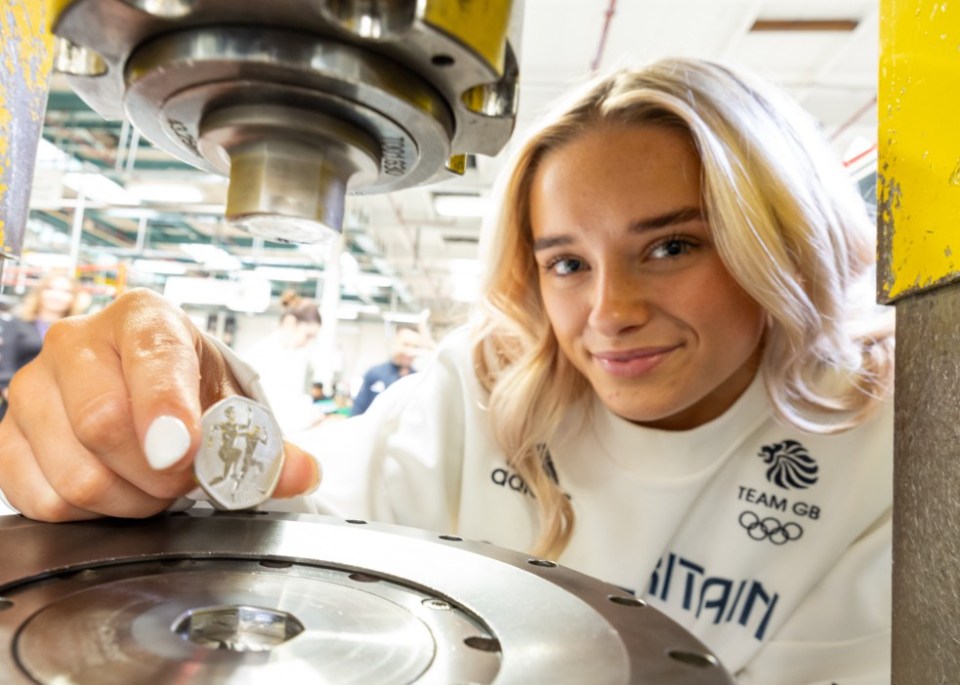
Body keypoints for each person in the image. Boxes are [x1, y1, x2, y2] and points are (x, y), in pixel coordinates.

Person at [0, 57, 894, 683]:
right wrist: (176, 446)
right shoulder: (493, 382)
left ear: (780, 240)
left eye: (670, 246)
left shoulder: (891, 445)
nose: (608, 311)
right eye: (567, 262)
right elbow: (299, 529)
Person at [0, 271, 89, 420]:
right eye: (50, 289)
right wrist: (18, 401)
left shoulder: (78, 330)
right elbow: (5, 366)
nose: (56, 295)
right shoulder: (15, 323)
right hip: (16, 406)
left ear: (73, 298)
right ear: (40, 293)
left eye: (65, 292)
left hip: (58, 411)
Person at [240, 294, 322, 433]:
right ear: (290, 323)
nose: (308, 343)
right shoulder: (262, 354)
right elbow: (270, 408)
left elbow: (294, 400)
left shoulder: (295, 357)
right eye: (307, 336)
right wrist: (306, 419)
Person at [350, 326, 428, 416]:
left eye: (415, 347)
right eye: (406, 344)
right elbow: (357, 411)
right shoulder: (374, 373)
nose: (409, 352)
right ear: (395, 343)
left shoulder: (419, 380)